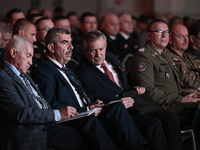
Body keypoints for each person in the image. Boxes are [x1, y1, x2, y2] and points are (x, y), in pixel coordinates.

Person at [31, 27, 147, 150]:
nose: (71, 47)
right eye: (65, 42)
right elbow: (51, 107)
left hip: (88, 110)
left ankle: (140, 147)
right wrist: (84, 110)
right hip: (75, 117)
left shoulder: (67, 68)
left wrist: (93, 103)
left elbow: (82, 93)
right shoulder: (44, 72)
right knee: (91, 122)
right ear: (51, 48)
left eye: (71, 42)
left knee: (116, 108)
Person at [0, 34, 120, 150]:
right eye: (28, 56)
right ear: (13, 53)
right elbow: (21, 113)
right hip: (32, 129)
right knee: (85, 136)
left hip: (49, 123)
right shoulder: (3, 78)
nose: (31, 62)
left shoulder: (24, 75)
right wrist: (57, 114)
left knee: (95, 127)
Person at [76, 30, 183, 150]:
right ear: (85, 52)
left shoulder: (110, 57)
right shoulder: (83, 73)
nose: (98, 54)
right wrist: (117, 103)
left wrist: (133, 88)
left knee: (171, 119)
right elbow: (91, 104)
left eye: (101, 49)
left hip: (137, 103)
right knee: (153, 123)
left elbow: (120, 85)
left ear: (105, 47)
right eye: (93, 50)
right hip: (119, 114)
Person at [128, 19, 200, 142]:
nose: (164, 35)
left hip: (175, 102)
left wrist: (188, 95)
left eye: (166, 32)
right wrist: (181, 99)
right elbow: (148, 91)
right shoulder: (143, 56)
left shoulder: (164, 55)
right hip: (163, 107)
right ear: (148, 35)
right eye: (159, 31)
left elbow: (174, 86)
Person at [166, 24, 200, 96]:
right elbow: (186, 80)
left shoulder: (186, 55)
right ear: (170, 40)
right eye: (180, 37)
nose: (186, 40)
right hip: (183, 98)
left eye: (187, 36)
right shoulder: (168, 56)